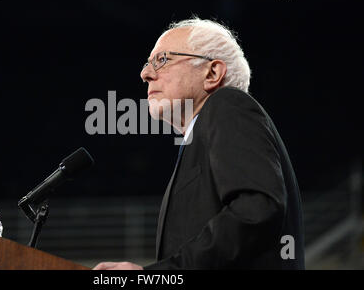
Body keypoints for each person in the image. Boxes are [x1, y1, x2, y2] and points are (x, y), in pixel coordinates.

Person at [93, 17, 305, 270]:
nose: (145, 74)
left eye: (162, 60)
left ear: (212, 73)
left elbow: (256, 209)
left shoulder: (228, 105)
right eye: (148, 63)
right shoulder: (198, 140)